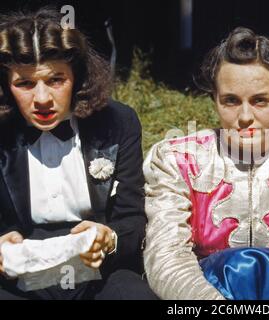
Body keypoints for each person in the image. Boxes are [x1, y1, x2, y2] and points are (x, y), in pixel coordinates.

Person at [143, 27, 269, 300]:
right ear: (214, 100)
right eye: (231, 101)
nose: (245, 116)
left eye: (259, 101)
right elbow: (166, 254)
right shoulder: (177, 160)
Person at [0, 8, 157, 299]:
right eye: (24, 83)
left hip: (100, 270)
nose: (42, 99)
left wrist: (109, 239)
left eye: (56, 80)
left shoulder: (117, 122)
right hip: (18, 273)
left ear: (78, 77)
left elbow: (132, 217)